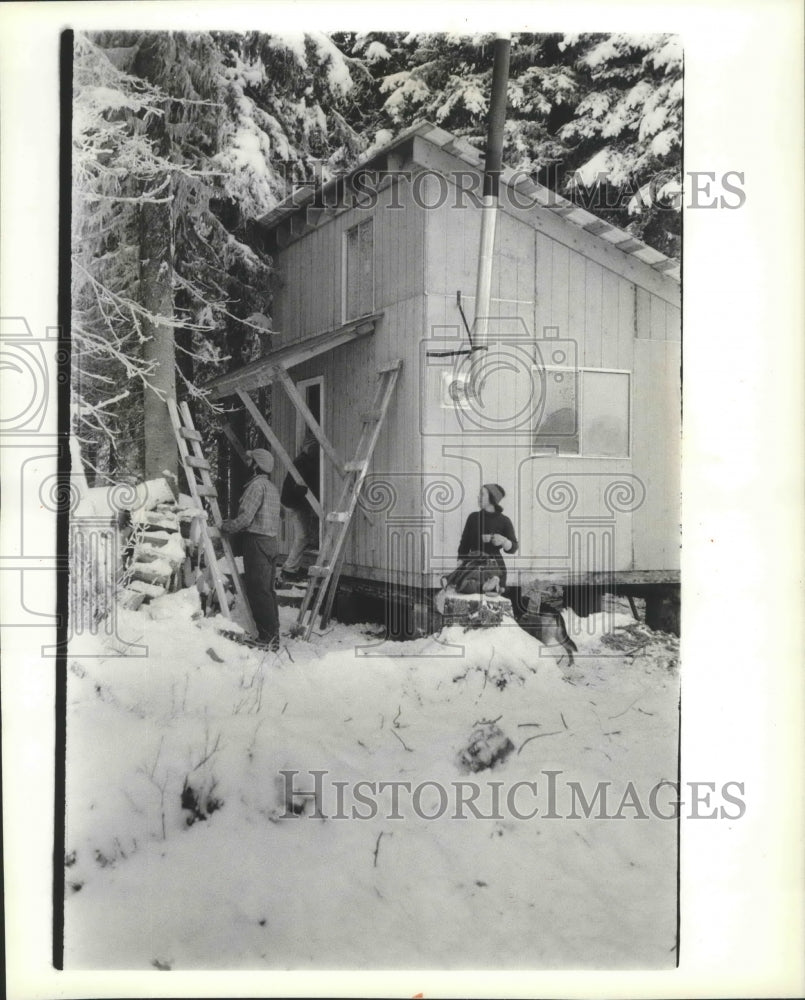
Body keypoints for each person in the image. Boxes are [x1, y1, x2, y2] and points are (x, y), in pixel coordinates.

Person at [220, 448, 281, 647]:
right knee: (268, 591)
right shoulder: (272, 487)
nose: (248, 464)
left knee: (258, 591)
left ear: (257, 465)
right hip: (271, 542)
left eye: (250, 460)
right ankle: (273, 634)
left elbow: (246, 518)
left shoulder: (256, 487)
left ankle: (267, 639)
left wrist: (226, 526)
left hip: (257, 542)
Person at [449, 483, 518, 594]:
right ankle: (488, 586)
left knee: (482, 592)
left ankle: (492, 585)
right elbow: (464, 544)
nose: (478, 497)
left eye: (482, 494)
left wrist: (504, 541)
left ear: (492, 498)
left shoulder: (504, 521)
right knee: (464, 585)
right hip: (473, 563)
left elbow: (514, 547)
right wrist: (460, 562)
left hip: (494, 565)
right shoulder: (473, 518)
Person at [279, 431, 320, 584]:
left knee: (306, 534)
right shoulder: (302, 461)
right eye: (312, 447)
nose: (314, 450)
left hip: (298, 502)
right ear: (307, 447)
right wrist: (300, 490)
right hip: (293, 503)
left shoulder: (310, 461)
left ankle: (294, 567)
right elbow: (293, 484)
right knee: (302, 536)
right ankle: (289, 569)